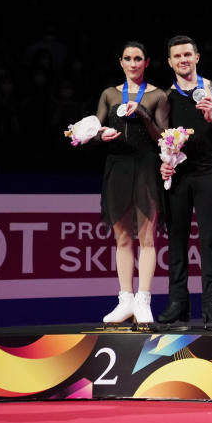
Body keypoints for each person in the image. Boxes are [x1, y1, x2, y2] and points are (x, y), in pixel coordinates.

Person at [158, 35, 212, 331]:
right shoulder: (166, 97)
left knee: (210, 240)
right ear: (170, 62)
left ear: (197, 57)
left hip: (207, 173)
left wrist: (211, 117)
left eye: (187, 54)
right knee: (176, 240)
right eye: (177, 56)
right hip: (179, 175)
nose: (183, 60)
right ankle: (178, 303)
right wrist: (164, 162)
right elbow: (162, 140)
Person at [94, 42, 168, 329]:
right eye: (128, 58)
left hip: (147, 167)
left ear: (147, 62)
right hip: (117, 167)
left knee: (148, 238)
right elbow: (94, 129)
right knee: (122, 238)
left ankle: (143, 300)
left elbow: (163, 136)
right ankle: (125, 300)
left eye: (138, 59)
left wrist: (144, 115)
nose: (133, 63)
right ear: (121, 62)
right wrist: (101, 136)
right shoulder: (109, 94)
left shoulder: (158, 95)